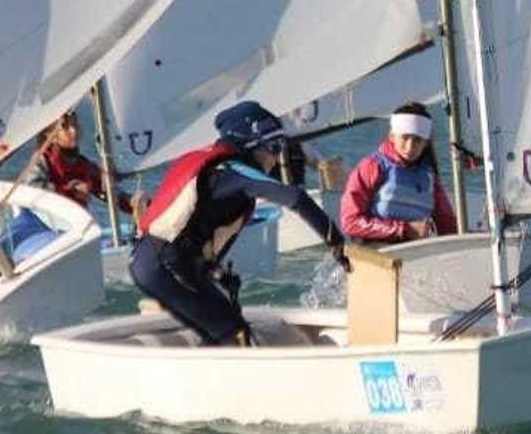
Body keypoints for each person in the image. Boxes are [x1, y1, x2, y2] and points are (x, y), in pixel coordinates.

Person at [131, 100, 346, 346]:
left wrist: (214, 272)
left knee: (223, 320)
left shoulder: (217, 170)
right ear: (250, 146)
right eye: (274, 147)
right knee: (233, 332)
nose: (277, 159)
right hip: (163, 265)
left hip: (155, 261)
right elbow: (296, 197)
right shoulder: (236, 172)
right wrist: (337, 244)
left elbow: (191, 234)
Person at [340, 102, 459, 244]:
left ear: (425, 143)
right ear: (392, 136)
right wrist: (404, 229)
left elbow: (447, 225)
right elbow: (350, 222)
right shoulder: (371, 166)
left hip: (418, 254)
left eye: (417, 140)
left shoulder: (430, 177)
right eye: (405, 137)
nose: (410, 146)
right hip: (377, 255)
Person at [37, 110, 139, 218]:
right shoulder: (42, 161)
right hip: (44, 226)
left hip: (75, 228)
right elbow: (32, 190)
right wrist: (72, 190)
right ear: (49, 136)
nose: (74, 130)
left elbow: (107, 192)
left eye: (75, 124)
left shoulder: (83, 164)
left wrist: (133, 203)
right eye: (65, 127)